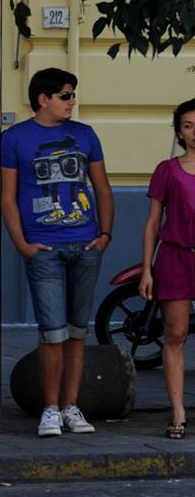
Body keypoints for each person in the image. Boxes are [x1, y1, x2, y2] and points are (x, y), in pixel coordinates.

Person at [0, 67, 113, 437]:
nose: (72, 102)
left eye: (73, 94)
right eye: (65, 95)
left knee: (78, 331)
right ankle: (50, 408)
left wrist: (105, 234)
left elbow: (102, 186)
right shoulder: (14, 138)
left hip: (85, 243)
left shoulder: (85, 134)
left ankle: (71, 406)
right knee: (53, 332)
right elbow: (9, 197)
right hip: (43, 247)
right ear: (43, 99)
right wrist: (22, 245)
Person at [139, 97, 195, 439]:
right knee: (175, 335)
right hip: (175, 257)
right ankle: (177, 411)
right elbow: (152, 223)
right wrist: (147, 268)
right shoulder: (167, 170)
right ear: (180, 132)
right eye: (188, 125)